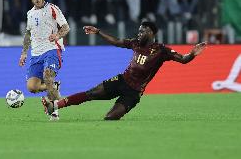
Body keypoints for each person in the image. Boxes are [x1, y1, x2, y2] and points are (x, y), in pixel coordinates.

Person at [41, 20, 206, 120]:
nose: (139, 33)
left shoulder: (162, 51)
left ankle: (115, 111)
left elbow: (183, 60)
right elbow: (117, 41)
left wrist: (192, 54)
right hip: (121, 81)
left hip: (134, 93)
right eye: (139, 30)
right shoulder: (135, 43)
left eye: (143, 31)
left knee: (110, 117)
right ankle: (54, 105)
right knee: (90, 93)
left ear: (152, 33)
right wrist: (98, 32)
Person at [19, 0, 70, 120]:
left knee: (47, 76)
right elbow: (28, 34)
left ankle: (54, 111)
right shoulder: (30, 14)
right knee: (32, 87)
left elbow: (66, 27)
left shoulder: (52, 9)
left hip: (52, 49)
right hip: (36, 54)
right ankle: (54, 87)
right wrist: (24, 53)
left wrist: (58, 35)